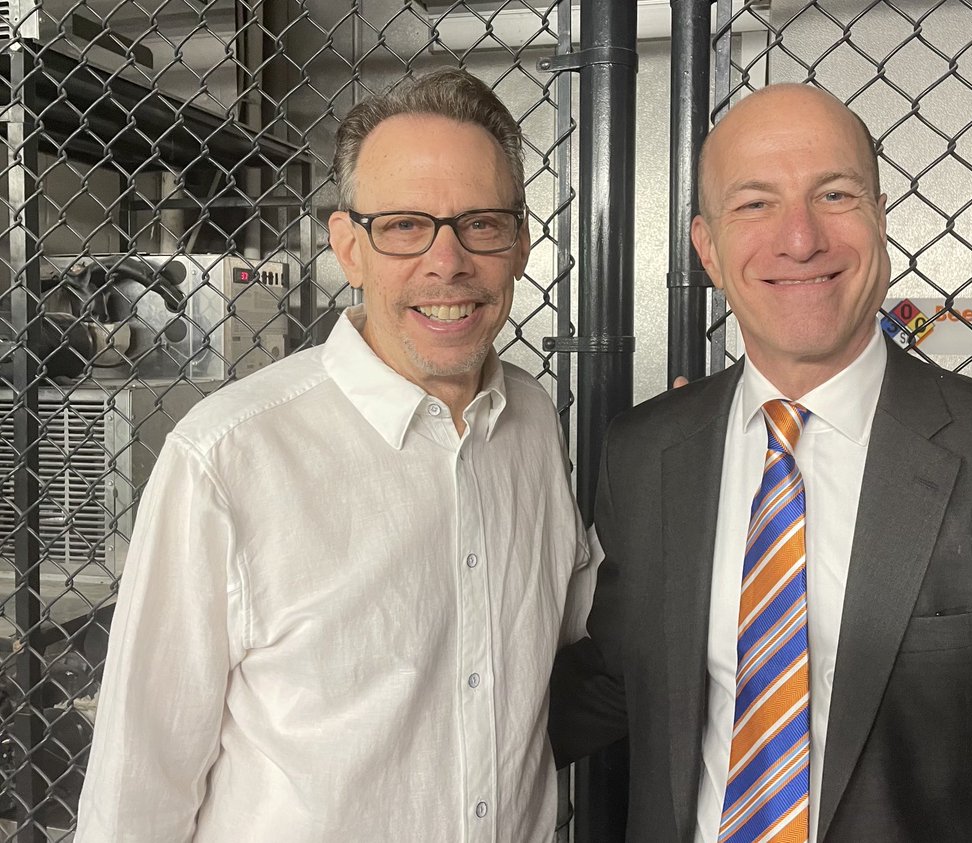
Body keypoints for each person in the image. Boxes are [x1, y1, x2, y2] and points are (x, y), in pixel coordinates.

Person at [550, 83, 972, 842]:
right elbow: (619, 673)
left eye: (833, 194)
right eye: (755, 204)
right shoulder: (644, 452)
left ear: (880, 217)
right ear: (707, 248)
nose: (800, 239)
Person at [77, 67, 588, 841]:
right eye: (405, 225)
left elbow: (586, 627)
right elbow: (136, 796)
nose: (446, 262)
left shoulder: (533, 424)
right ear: (347, 245)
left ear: (519, 242)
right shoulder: (226, 460)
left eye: (480, 223)